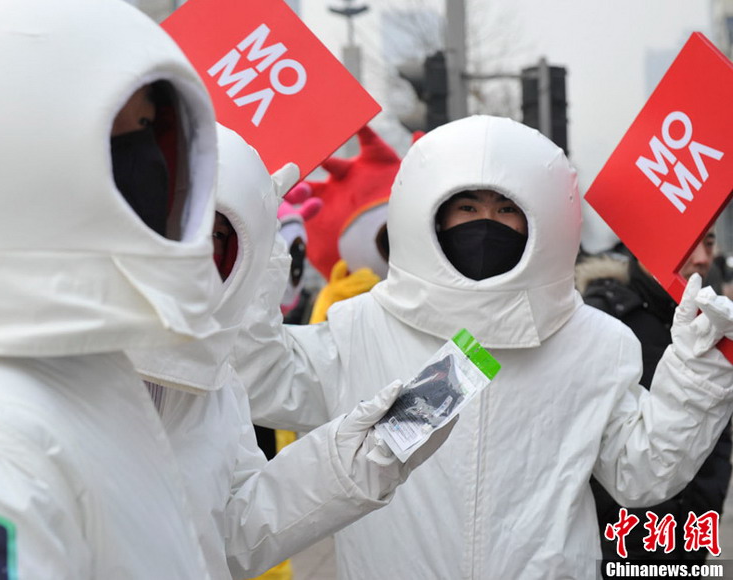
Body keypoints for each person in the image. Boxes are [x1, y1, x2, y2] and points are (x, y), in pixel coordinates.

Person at [236, 115, 733, 578]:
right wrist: (252, 253)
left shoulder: (596, 342)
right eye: (468, 208)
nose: (485, 225)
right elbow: (266, 377)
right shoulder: (366, 325)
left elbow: (641, 473)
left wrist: (696, 370)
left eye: (506, 211)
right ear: (431, 215)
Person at [0, 0, 224, 577]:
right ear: (3, 160)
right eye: (119, 139)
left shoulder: (71, 361)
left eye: (149, 129)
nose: (149, 163)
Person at [127, 124, 454, 580]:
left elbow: (234, 534)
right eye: (175, 220)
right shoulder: (46, 363)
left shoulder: (214, 383)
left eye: (215, 234)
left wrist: (360, 460)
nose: (190, 249)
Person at [578, 229, 732, 570]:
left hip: (688, 544)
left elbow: (719, 432)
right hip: (614, 549)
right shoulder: (605, 320)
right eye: (689, 242)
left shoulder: (712, 320)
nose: (703, 258)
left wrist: (706, 505)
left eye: (708, 243)